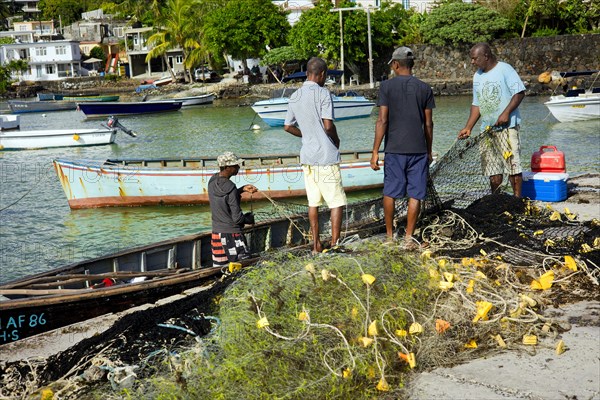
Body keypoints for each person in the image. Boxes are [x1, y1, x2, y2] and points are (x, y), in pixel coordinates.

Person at [370, 46, 435, 248]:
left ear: (396, 65)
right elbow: (428, 124)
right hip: (418, 149)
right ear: (411, 65)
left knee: (390, 191)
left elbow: (382, 121)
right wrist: (428, 150)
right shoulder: (425, 88)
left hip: (395, 149)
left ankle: (390, 237)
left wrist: (375, 151)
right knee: (416, 193)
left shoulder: (387, 88)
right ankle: (408, 238)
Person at [283, 57, 347, 254]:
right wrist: (336, 140)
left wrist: (307, 134)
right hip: (326, 156)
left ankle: (316, 245)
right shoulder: (323, 94)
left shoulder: (295, 96)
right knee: (336, 202)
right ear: (321, 74)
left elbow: (287, 126)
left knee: (313, 203)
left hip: (308, 158)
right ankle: (335, 243)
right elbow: (328, 125)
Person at [458, 42, 526, 197]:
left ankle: (517, 201)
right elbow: (477, 104)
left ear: (486, 56)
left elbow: (519, 93)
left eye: (475, 59)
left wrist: (506, 113)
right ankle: (496, 200)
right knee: (492, 170)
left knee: (513, 166)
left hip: (507, 128)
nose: (472, 62)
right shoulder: (477, 76)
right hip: (487, 131)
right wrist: (468, 127)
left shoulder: (505, 69)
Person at [208, 151, 258, 267]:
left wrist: (241, 189)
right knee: (242, 268)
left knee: (221, 269)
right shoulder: (231, 187)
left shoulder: (213, 180)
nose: (238, 167)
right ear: (227, 167)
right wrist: (248, 219)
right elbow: (237, 219)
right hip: (232, 236)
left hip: (217, 234)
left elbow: (223, 197)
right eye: (235, 165)